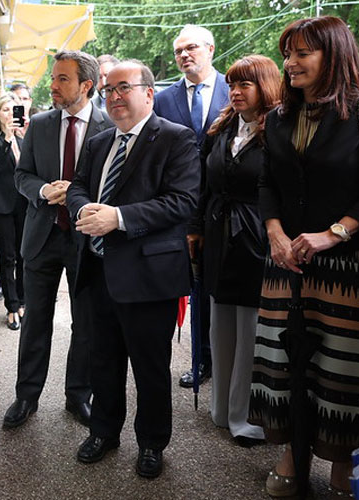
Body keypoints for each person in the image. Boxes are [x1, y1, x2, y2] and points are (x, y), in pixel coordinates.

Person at [67, 60, 199, 478]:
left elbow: (182, 201)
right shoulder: (99, 142)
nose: (115, 97)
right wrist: (84, 208)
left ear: (149, 92)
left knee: (150, 367)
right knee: (102, 361)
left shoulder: (177, 139)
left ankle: (151, 443)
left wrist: (118, 218)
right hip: (99, 270)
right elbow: (78, 187)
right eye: (108, 90)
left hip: (148, 277)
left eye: (124, 88)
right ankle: (105, 432)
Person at [249, 16, 359, 498]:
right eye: (287, 54)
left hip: (345, 267)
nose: (289, 64)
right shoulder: (278, 117)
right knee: (283, 365)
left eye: (301, 54)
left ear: (332, 55)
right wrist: (274, 232)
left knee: (339, 368)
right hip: (285, 263)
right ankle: (292, 451)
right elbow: (267, 182)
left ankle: (340, 460)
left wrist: (333, 234)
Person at [4, 50, 113, 430]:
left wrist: (82, 197)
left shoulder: (108, 125)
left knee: (85, 323)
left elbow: (114, 184)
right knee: (36, 320)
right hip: (41, 236)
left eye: (62, 79)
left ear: (86, 85)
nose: (52, 85)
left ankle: (77, 396)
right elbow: (22, 176)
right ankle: (26, 396)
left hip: (85, 239)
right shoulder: (39, 123)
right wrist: (44, 189)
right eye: (53, 78)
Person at [188, 55, 280, 448]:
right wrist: (195, 228)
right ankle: (221, 408)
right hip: (217, 234)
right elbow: (203, 184)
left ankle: (245, 415)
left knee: (250, 330)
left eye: (246, 85)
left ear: (267, 86)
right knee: (219, 323)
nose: (236, 92)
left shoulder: (280, 128)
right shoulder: (222, 127)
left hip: (256, 238)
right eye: (232, 84)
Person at [154, 24, 230, 389]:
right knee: (192, 286)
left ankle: (229, 358)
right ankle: (200, 359)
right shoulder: (165, 99)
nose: (185, 55)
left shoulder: (235, 90)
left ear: (211, 49)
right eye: (179, 51)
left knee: (222, 285)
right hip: (180, 205)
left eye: (192, 48)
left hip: (226, 206)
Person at [0, 93, 27, 330]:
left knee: (23, 255)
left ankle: (23, 301)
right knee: (7, 257)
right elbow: (0, 165)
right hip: (2, 206)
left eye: (14, 110)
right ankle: (11, 307)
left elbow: (28, 169)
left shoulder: (25, 139)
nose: (10, 114)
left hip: (24, 205)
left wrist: (19, 138)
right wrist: (9, 138)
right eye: (5, 110)